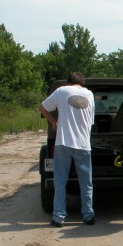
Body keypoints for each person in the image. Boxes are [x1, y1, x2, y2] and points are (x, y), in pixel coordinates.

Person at [39, 72, 96, 227]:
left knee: (60, 182)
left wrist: (53, 122)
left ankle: (58, 217)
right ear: (82, 83)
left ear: (69, 82)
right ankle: (88, 216)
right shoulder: (89, 94)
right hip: (83, 145)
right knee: (86, 183)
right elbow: (91, 122)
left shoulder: (61, 91)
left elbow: (42, 108)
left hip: (63, 143)